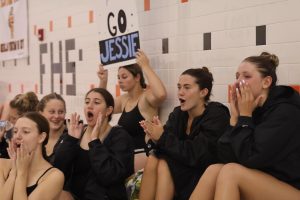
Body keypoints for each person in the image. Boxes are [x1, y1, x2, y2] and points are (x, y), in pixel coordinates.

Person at [189, 52, 300, 200]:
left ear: (266, 82)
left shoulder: (285, 111)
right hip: (268, 181)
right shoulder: (254, 108)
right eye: (237, 77)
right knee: (214, 169)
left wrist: (246, 117)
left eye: (246, 76)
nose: (238, 82)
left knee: (231, 172)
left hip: (292, 189)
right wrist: (235, 118)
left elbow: (252, 158)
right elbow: (225, 157)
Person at [139, 67, 230, 200]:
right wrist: (153, 139)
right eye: (179, 87)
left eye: (187, 87)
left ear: (203, 92)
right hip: (183, 168)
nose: (180, 92)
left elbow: (196, 155)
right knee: (153, 158)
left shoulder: (217, 114)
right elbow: (164, 147)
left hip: (203, 173)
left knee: (165, 164)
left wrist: (161, 138)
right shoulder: (178, 114)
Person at [54, 88, 134, 200]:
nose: (89, 106)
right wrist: (70, 140)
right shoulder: (76, 133)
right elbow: (57, 170)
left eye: (96, 102)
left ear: (108, 110)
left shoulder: (120, 137)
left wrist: (95, 142)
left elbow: (110, 176)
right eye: (87, 102)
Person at [98, 49, 167, 172]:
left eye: (124, 77)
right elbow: (101, 108)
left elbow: (161, 94)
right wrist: (103, 81)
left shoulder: (146, 97)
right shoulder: (124, 99)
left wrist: (145, 66)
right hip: (125, 155)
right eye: (118, 77)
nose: (120, 80)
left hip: (142, 156)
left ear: (137, 77)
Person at [0, 112, 64, 200]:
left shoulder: (54, 176)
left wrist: (22, 173)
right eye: (15, 131)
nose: (17, 136)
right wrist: (14, 171)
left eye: (25, 132)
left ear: (41, 137)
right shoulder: (2, 164)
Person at [0, 91, 39, 158]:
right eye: (9, 117)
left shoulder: (32, 141)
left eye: (14, 118)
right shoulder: (9, 133)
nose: (10, 121)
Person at [37, 93, 68, 163]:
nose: (56, 116)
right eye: (52, 112)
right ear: (41, 114)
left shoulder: (72, 137)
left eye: (61, 112)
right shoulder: (35, 136)